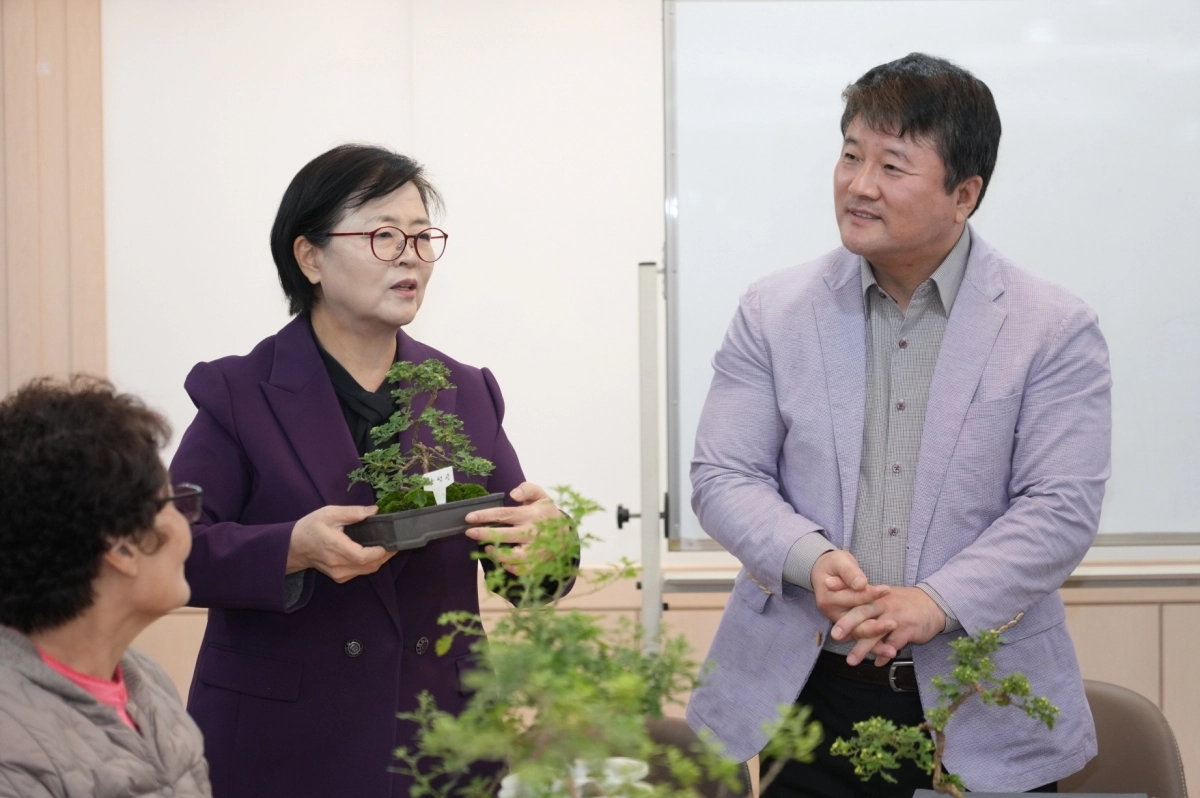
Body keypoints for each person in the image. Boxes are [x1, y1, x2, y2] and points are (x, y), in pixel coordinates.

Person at [686, 53, 1111, 797]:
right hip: (808, 689)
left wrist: (934, 602)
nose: (858, 184)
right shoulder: (773, 310)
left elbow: (1059, 508)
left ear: (964, 194)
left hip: (981, 697)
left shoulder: (1053, 328)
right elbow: (724, 475)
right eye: (850, 155)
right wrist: (809, 558)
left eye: (892, 165)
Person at [169, 144, 566, 798]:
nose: (410, 254)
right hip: (285, 747)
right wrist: (288, 550)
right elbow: (174, 551)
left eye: (421, 236)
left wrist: (547, 543)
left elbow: (518, 555)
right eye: (384, 235)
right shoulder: (239, 392)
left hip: (436, 742)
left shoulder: (463, 391)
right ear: (310, 257)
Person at [0, 377, 211, 797]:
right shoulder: (13, 753)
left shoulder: (146, 682)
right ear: (120, 547)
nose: (187, 525)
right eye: (172, 503)